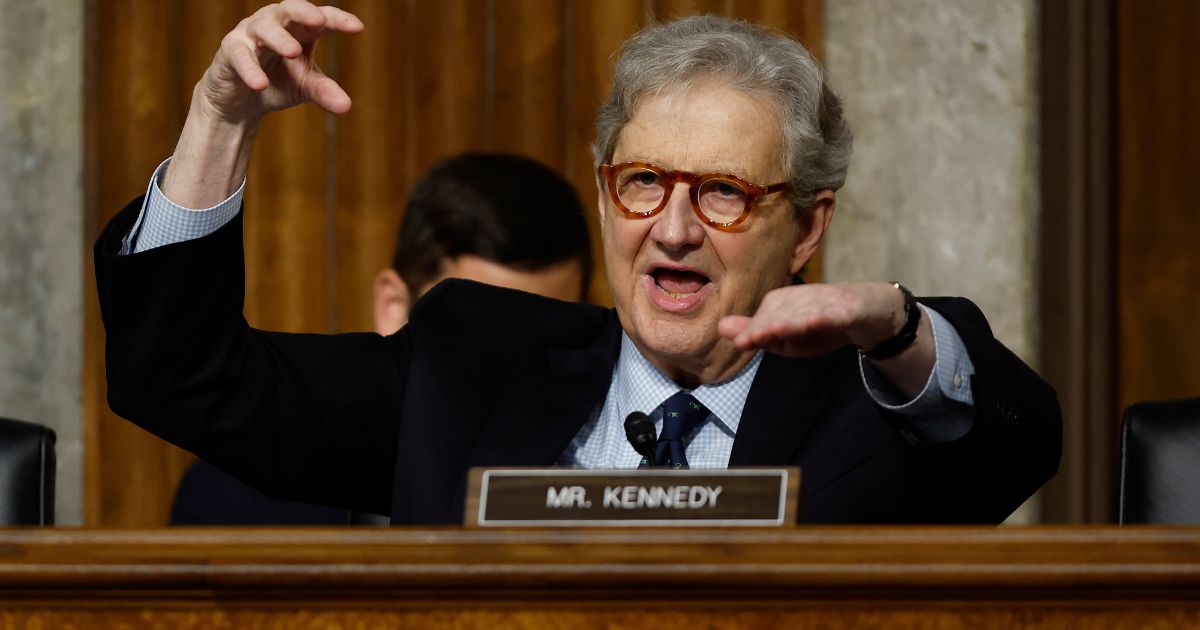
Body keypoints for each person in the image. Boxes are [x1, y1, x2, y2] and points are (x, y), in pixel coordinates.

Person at [95, 1, 1061, 525]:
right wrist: (218, 122)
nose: (674, 228)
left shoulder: (875, 402)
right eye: (643, 182)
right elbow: (185, 378)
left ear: (807, 227)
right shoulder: (466, 361)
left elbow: (1014, 450)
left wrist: (896, 330)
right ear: (606, 196)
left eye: (723, 192)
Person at [170, 152, 593, 524]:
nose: (509, 368)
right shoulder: (238, 496)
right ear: (394, 308)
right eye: (479, 336)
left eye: (543, 336)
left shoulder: (601, 483)